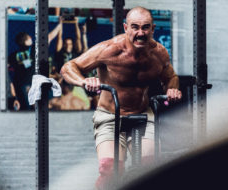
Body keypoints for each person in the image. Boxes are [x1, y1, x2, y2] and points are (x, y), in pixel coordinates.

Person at [60, 6, 182, 190]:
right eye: (135, 27)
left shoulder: (159, 53)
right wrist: (84, 82)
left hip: (143, 115)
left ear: (153, 28)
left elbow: (170, 77)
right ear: (126, 28)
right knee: (110, 170)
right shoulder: (108, 50)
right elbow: (69, 67)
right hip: (110, 116)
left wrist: (172, 89)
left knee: (149, 168)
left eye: (145, 27)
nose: (140, 33)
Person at [8, 21, 62, 110]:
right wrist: (59, 25)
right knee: (42, 106)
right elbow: (49, 37)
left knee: (28, 109)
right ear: (28, 39)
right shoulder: (34, 49)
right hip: (34, 84)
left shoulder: (13, 55)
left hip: (22, 86)